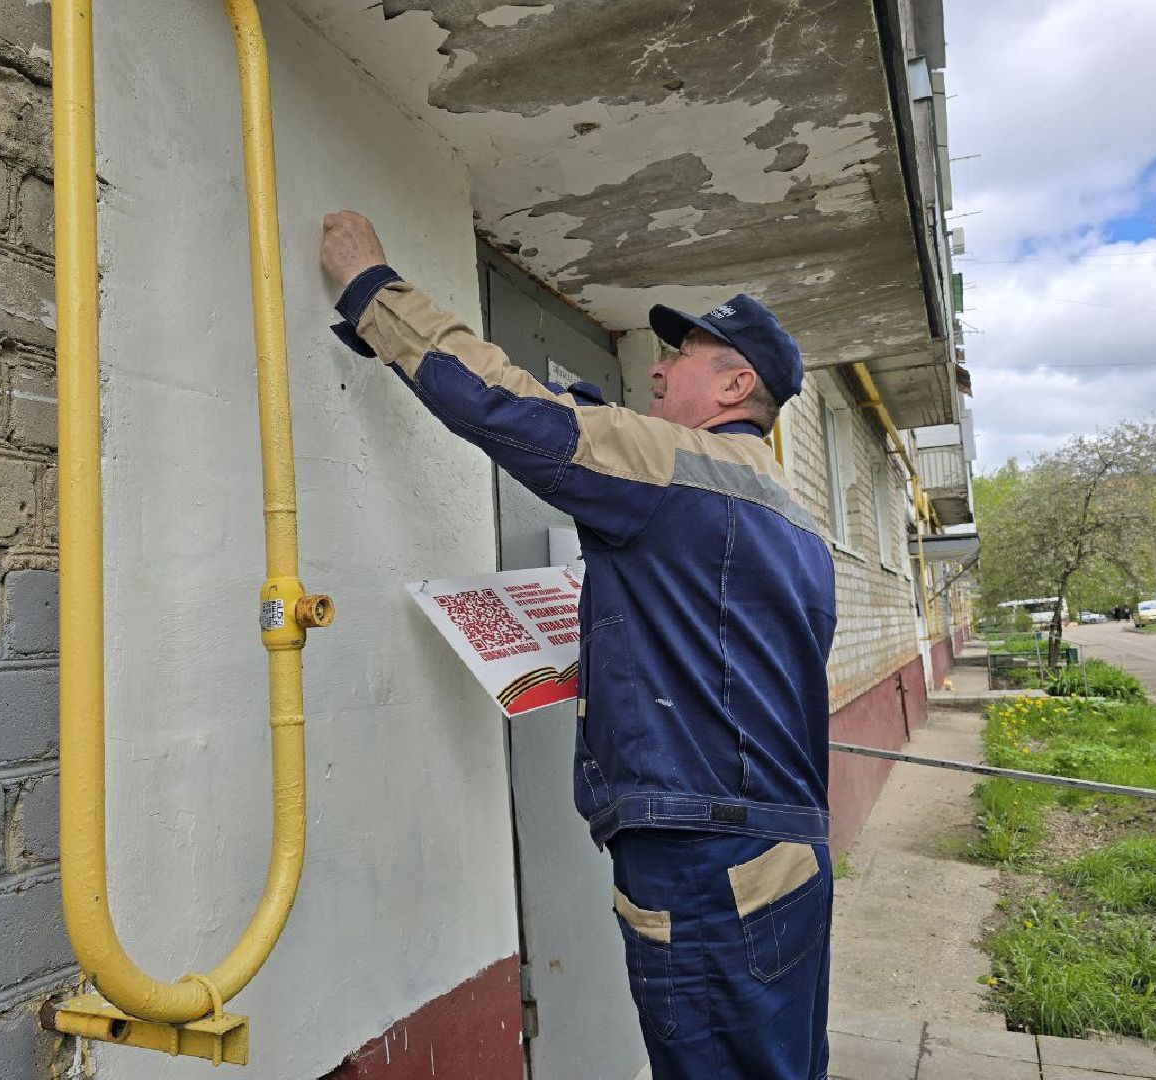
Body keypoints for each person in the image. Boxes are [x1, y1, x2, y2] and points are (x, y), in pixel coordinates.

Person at [322, 211, 838, 1080]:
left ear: (735, 384)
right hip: (786, 859)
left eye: (681, 356)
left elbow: (508, 406)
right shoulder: (797, 522)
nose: (658, 369)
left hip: (706, 865)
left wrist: (373, 291)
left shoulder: (672, 467)